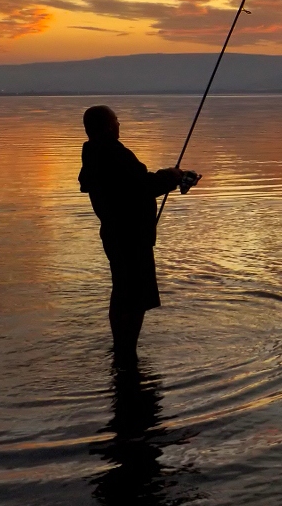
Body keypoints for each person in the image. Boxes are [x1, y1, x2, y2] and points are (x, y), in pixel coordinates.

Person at [78, 105, 197, 363]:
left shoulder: (93, 152)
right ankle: (127, 351)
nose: (119, 125)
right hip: (130, 236)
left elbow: (134, 185)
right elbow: (143, 186)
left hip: (114, 233)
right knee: (135, 296)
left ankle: (121, 347)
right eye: (117, 121)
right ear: (109, 126)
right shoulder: (113, 153)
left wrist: (170, 178)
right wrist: (172, 176)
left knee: (121, 291)